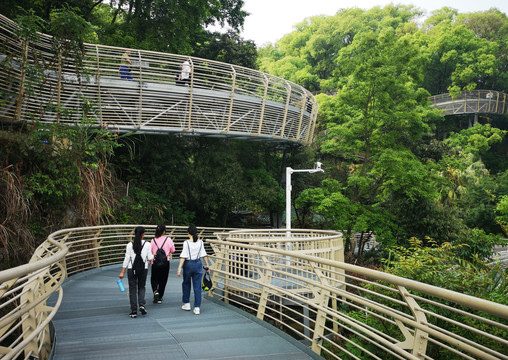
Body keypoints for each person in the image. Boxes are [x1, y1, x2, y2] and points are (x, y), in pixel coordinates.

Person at [119, 226, 153, 318]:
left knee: (132, 289)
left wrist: (122, 271)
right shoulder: (147, 244)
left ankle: (134, 311)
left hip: (131, 269)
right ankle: (141, 305)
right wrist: (150, 258)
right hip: (143, 269)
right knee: (141, 287)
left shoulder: (130, 245)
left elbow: (127, 258)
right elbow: (150, 257)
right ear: (143, 234)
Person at [177, 225, 211, 315]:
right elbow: (203, 254)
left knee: (186, 283)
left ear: (188, 233)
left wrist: (179, 268)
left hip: (188, 264)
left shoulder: (186, 243)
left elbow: (183, 256)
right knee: (197, 286)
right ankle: (197, 307)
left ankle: (187, 303)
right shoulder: (200, 242)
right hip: (198, 264)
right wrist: (207, 266)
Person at [150, 224, 175, 304]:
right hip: (165, 263)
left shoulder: (153, 240)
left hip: (155, 262)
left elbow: (150, 252)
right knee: (163, 280)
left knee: (154, 278)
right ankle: (160, 297)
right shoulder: (168, 240)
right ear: (164, 231)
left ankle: (155, 291)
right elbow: (173, 250)